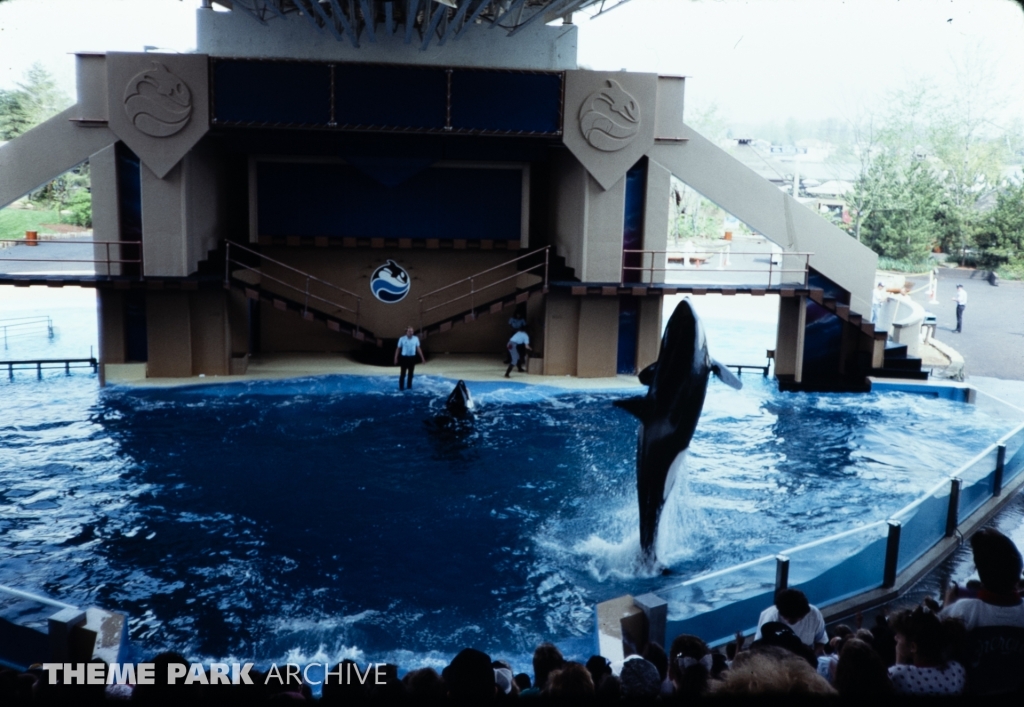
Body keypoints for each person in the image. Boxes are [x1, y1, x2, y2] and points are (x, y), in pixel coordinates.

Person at [755, 588, 827, 655]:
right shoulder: (770, 619)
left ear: (803, 614)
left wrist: (811, 659)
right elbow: (760, 650)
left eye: (795, 618)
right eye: (787, 617)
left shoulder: (814, 614)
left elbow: (820, 642)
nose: (790, 620)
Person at [394, 326, 425, 391]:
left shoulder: (416, 338)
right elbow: (398, 348)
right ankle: (401, 388)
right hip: (404, 358)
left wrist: (422, 357)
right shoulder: (402, 339)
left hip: (412, 358)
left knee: (411, 374)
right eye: (409, 331)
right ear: (406, 332)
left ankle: (409, 387)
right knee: (403, 374)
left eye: (412, 331)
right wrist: (395, 357)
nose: (411, 332)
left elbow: (418, 348)